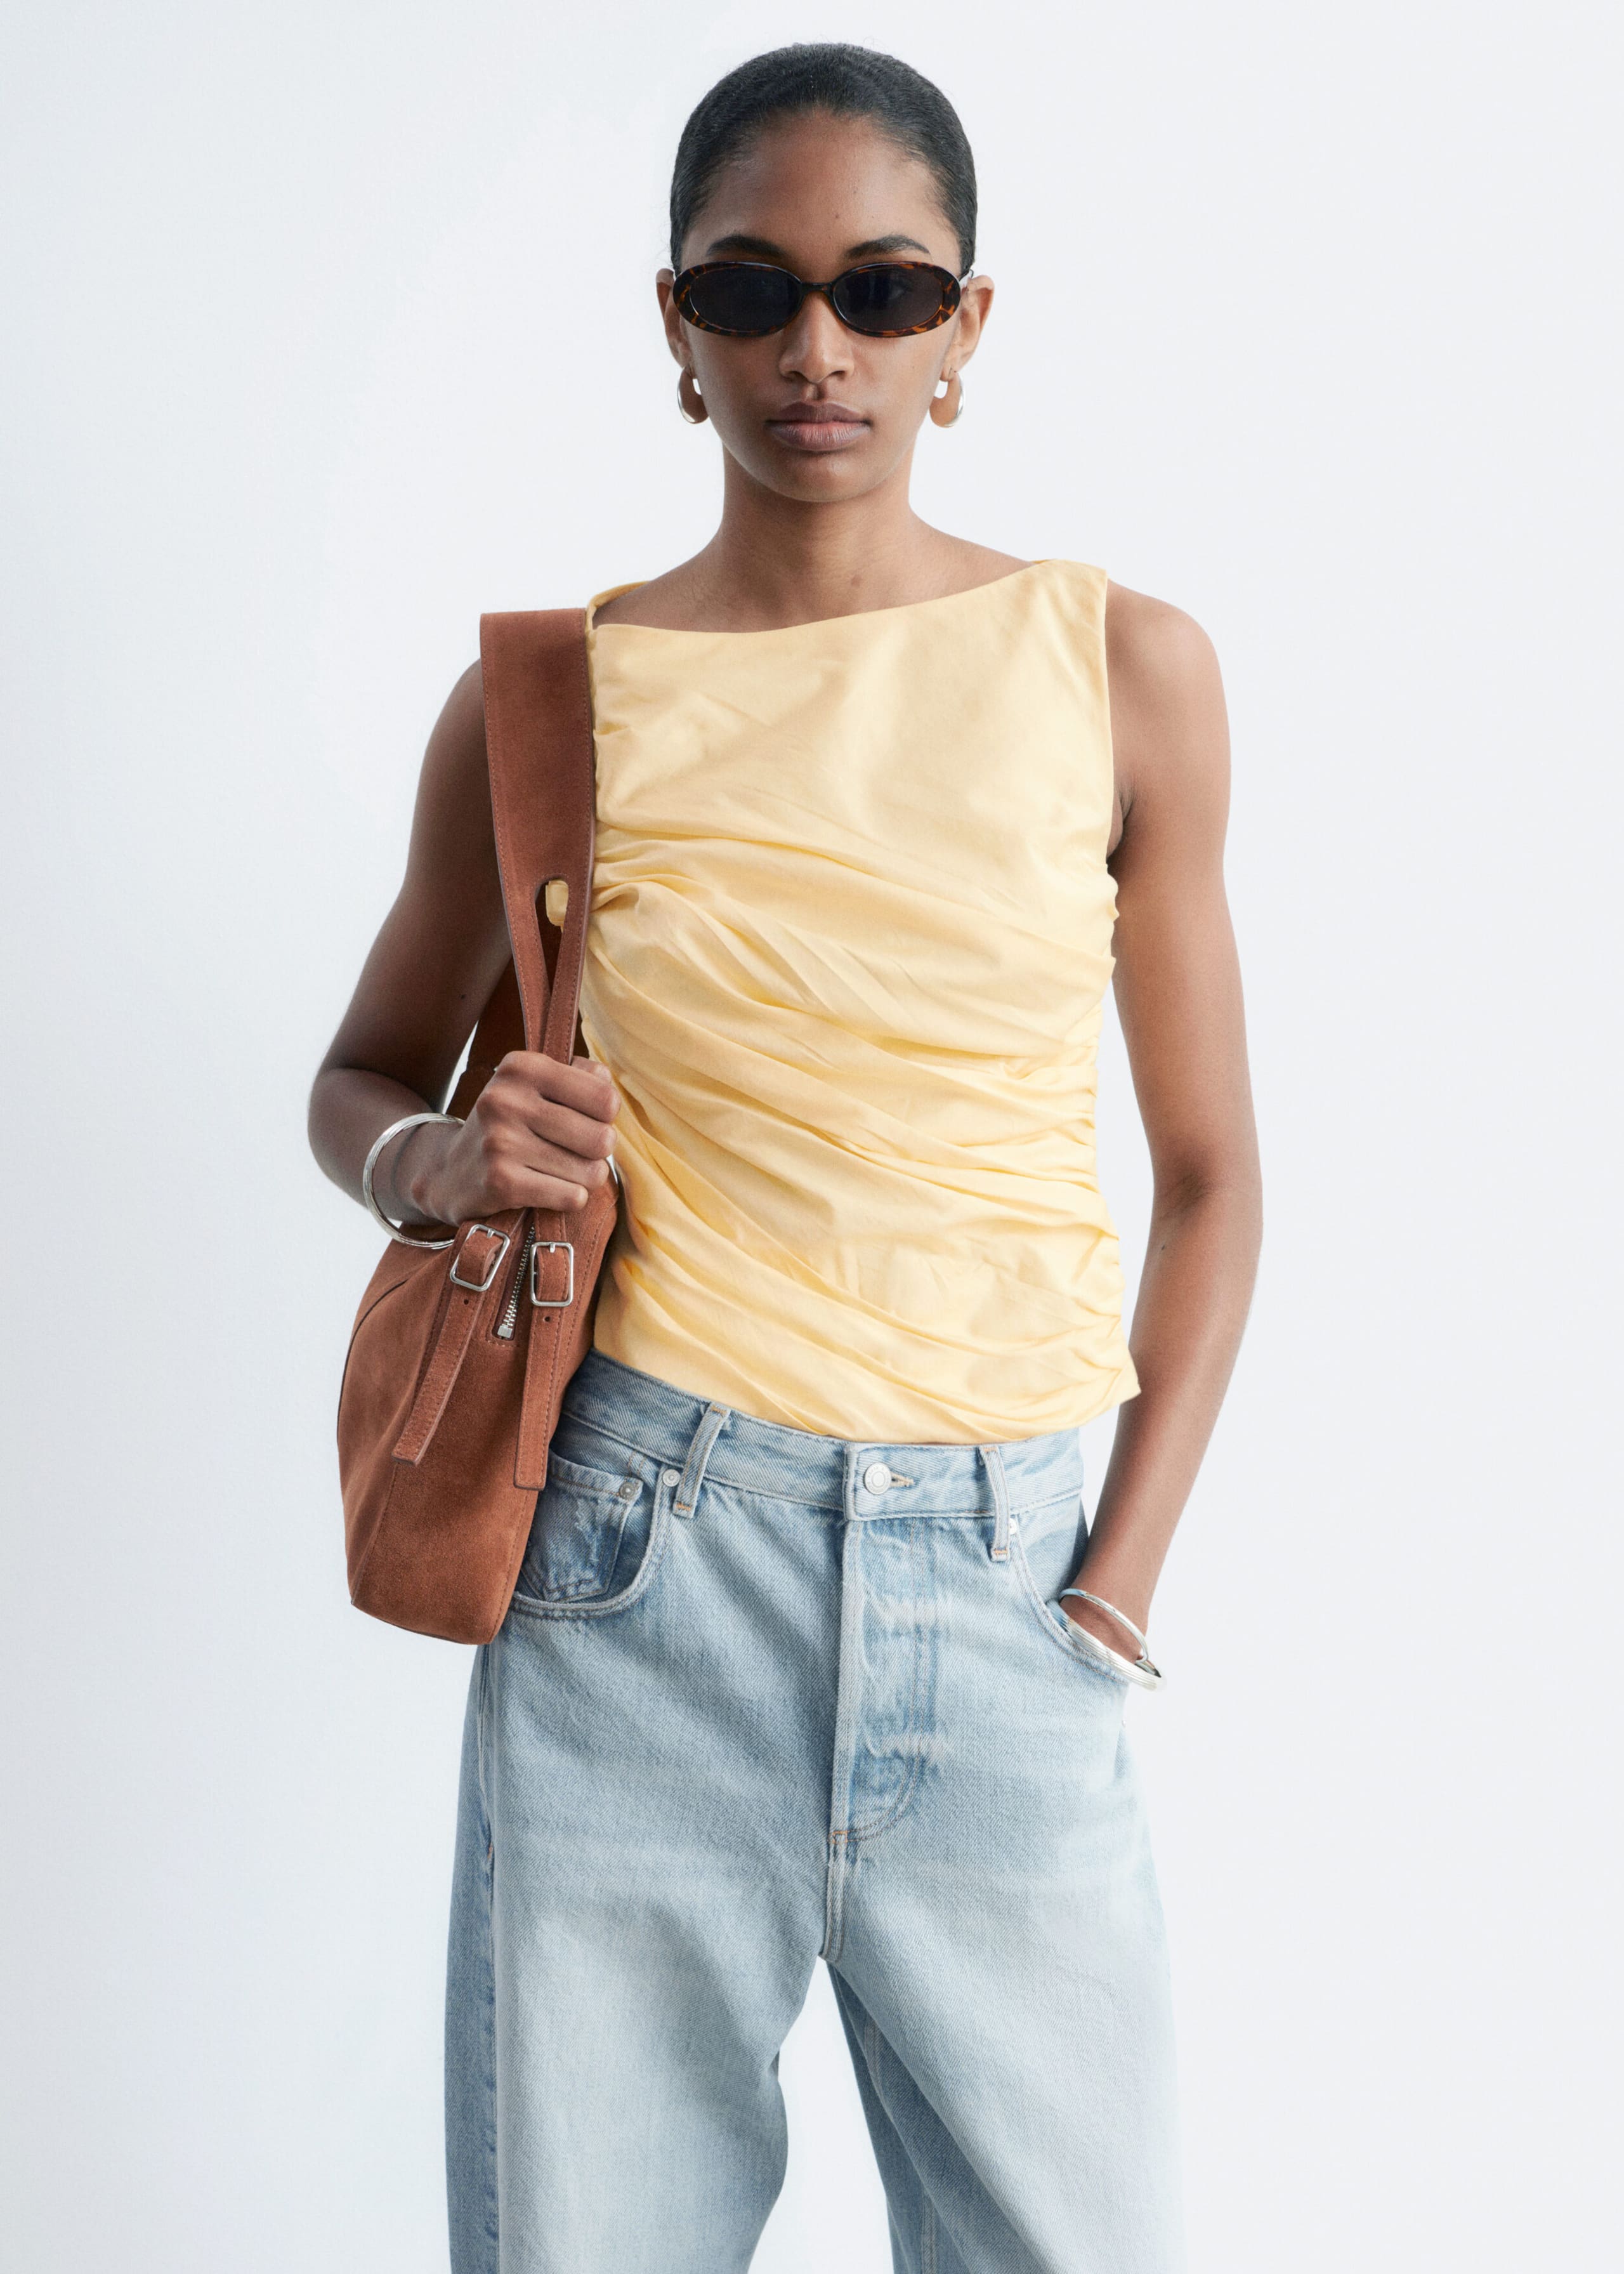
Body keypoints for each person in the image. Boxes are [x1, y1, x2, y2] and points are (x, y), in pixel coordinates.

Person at [309, 41, 1261, 2274]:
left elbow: (1215, 1173)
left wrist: (1113, 1589)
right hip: (637, 1570)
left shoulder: (1123, 668)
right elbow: (360, 1076)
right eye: (751, 290)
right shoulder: (549, 699)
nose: (817, 346)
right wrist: (437, 1161)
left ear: (966, 326)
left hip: (1013, 1576)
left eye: (882, 289)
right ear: (676, 323)